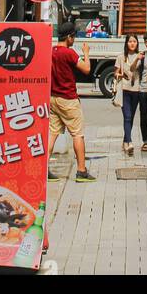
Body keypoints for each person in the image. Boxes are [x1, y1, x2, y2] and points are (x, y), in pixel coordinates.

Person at [49, 22, 95, 183]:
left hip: (53, 98)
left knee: (53, 133)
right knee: (77, 134)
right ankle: (81, 171)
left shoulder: (52, 51)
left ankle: (44, 169)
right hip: (68, 99)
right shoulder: (69, 53)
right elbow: (87, 69)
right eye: (73, 36)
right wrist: (86, 53)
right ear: (69, 37)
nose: (74, 39)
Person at [114, 34, 142, 155]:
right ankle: (129, 142)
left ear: (137, 43)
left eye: (134, 41)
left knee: (130, 118)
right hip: (124, 89)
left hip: (136, 90)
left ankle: (125, 141)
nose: (132, 44)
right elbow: (115, 73)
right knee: (127, 116)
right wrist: (119, 75)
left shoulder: (141, 56)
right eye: (130, 41)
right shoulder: (121, 57)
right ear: (126, 43)